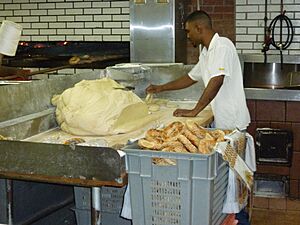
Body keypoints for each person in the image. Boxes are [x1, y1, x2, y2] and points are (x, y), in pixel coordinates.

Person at [146, 10, 252, 225]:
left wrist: (195, 110)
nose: (187, 36)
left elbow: (217, 80)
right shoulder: (206, 52)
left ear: (199, 28)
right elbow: (190, 78)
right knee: (226, 177)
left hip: (234, 125)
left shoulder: (222, 46)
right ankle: (229, 217)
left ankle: (241, 219)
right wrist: (160, 88)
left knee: (235, 176)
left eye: (188, 31)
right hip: (222, 124)